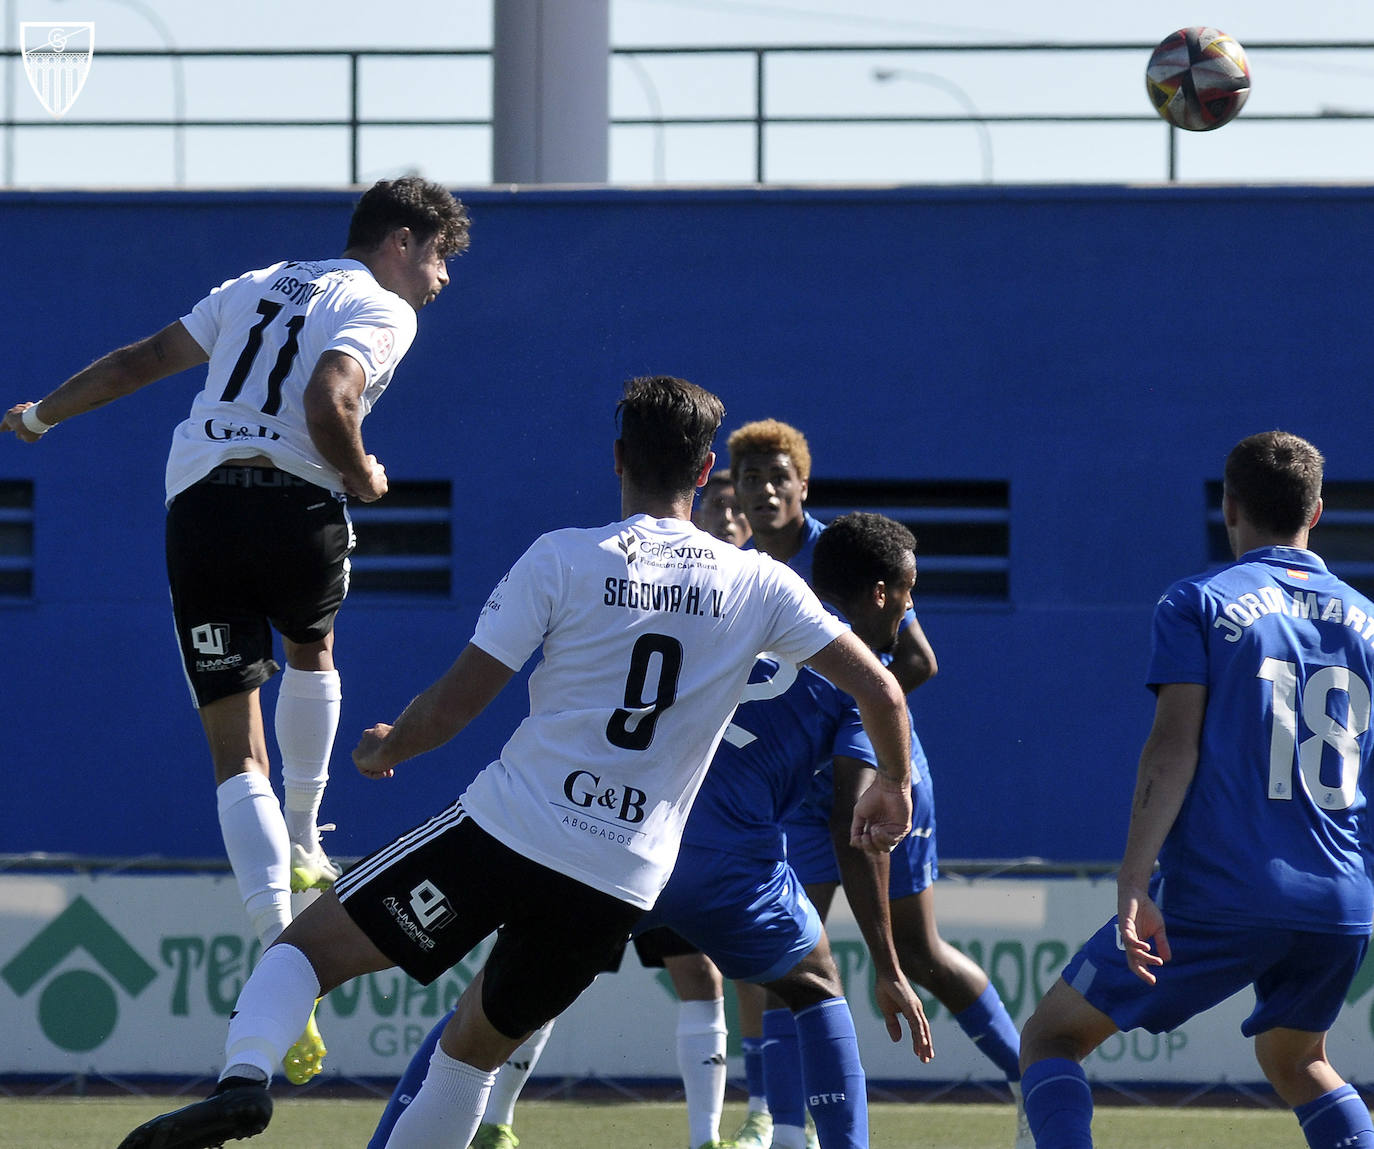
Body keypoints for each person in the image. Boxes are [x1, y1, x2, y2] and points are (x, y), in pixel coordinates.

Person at [115, 374, 916, 1149]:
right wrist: (894, 783)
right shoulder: (764, 586)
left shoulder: (564, 558)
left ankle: (243, 1080)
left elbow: (455, 705)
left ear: (617, 459)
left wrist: (385, 747)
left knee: (304, 951)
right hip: (620, 879)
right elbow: (884, 689)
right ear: (706, 471)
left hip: (509, 833)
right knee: (468, 1058)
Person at [2, 176, 471, 1083]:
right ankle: (305, 839)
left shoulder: (254, 282)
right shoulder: (381, 307)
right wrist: (366, 475)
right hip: (297, 504)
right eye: (441, 257)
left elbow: (140, 361)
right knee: (313, 648)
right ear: (402, 240)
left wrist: (39, 414)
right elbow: (331, 400)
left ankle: (272, 932)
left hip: (202, 506)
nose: (442, 281)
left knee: (230, 744)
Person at [369, 631, 940, 1149]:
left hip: (622, 841)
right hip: (726, 866)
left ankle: (736, 1128)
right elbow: (855, 812)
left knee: (495, 1000)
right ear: (886, 594)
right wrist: (888, 968)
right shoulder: (841, 663)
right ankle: (793, 1132)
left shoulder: (725, 610)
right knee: (814, 984)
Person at [1018, 431, 1374, 1149]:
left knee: (1051, 1035)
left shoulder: (1200, 602)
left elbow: (1172, 746)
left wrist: (1132, 877)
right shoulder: (1369, 620)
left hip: (1226, 891)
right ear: (1319, 511)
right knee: (1298, 1058)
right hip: (1341, 899)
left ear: (1229, 506)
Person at [727, 425, 1027, 1149]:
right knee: (785, 955)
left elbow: (915, 662)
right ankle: (782, 1130)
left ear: (803, 486)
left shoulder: (848, 557)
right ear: (730, 489)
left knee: (917, 954)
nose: (766, 488)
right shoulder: (736, 570)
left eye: (779, 475)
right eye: (751, 476)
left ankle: (1037, 1085)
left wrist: (848, 730)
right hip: (801, 793)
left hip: (877, 774)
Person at [694, 467, 751, 546]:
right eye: (717, 506)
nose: (726, 517)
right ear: (697, 518)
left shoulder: (764, 558)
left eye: (738, 508)